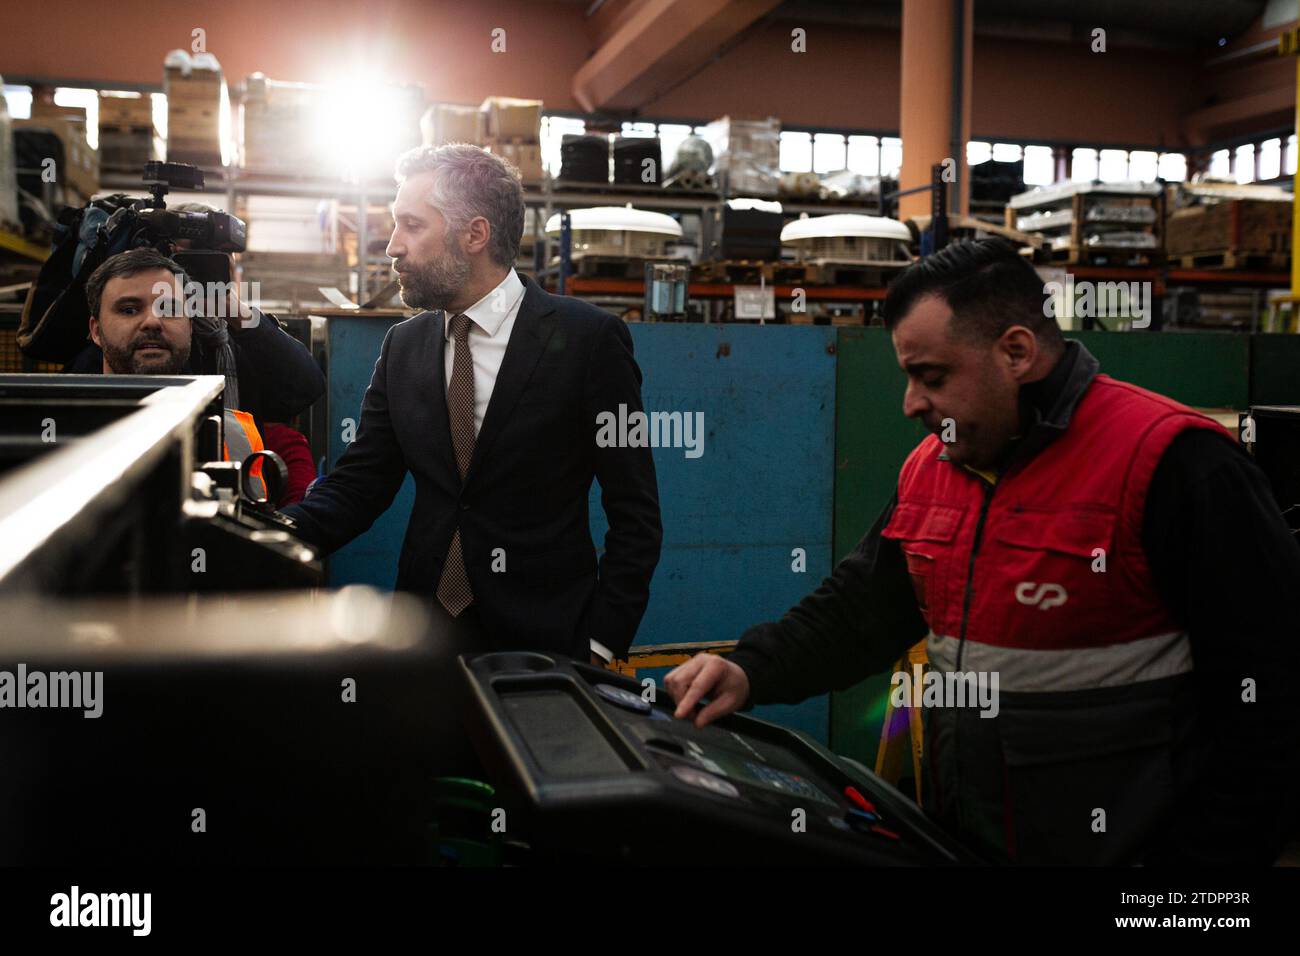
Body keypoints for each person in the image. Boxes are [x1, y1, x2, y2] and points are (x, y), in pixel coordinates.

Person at [665, 238, 1300, 866]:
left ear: (1016, 352)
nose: (911, 402)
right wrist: (750, 669)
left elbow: (1270, 702)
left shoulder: (1172, 463)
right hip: (972, 844)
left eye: (931, 376)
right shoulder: (935, 464)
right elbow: (862, 609)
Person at [280, 144, 662, 664]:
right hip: (425, 633)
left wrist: (600, 641)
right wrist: (271, 538)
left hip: (547, 640)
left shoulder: (588, 340)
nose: (392, 247)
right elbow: (361, 482)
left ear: (475, 234)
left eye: (411, 225)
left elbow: (634, 508)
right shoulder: (403, 346)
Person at [85, 248, 315, 506]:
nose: (152, 321)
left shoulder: (233, 436)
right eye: (128, 310)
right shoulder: (66, 425)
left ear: (190, 325)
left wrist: (233, 308)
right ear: (95, 331)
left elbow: (305, 384)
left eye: (169, 308)